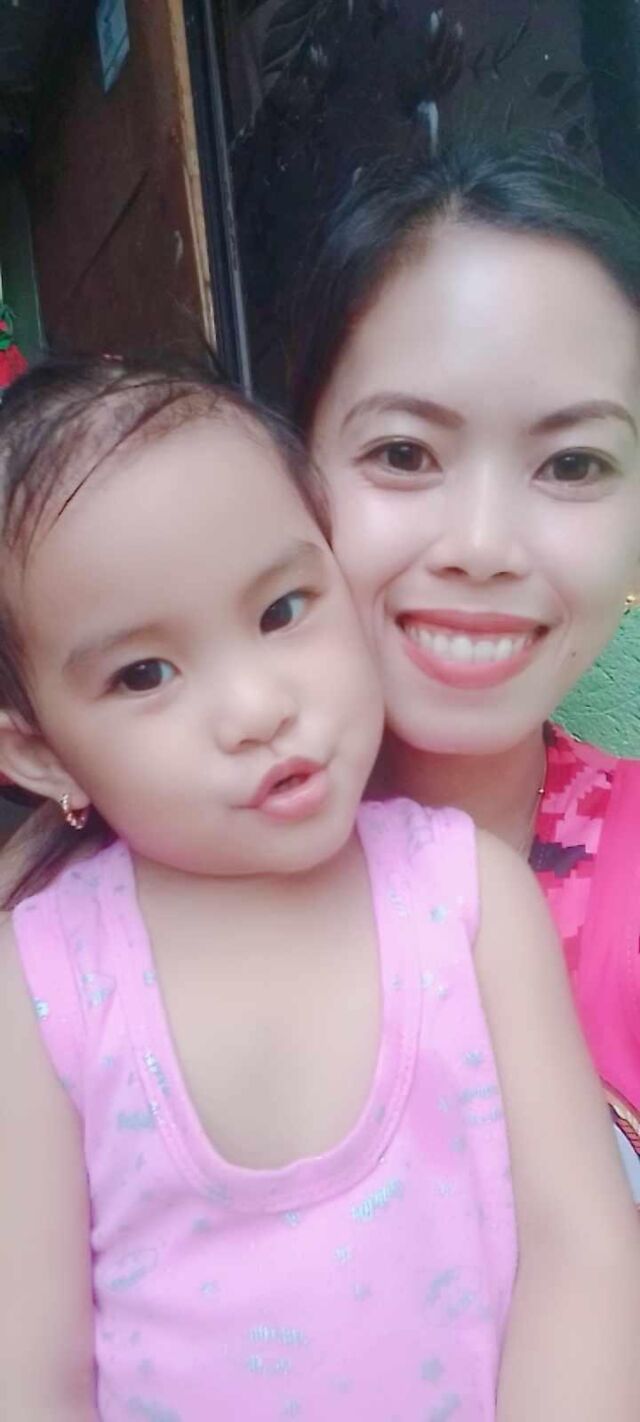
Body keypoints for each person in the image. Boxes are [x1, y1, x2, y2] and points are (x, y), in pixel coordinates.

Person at [0, 356, 637, 1420]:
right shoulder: (42, 986)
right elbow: (31, 1369)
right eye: (144, 674)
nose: (257, 707)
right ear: (40, 752)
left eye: (284, 609)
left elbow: (584, 1249)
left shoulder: (468, 901)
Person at [291, 137, 640, 1194]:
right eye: (403, 453)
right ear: (291, 475)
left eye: (572, 463)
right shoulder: (118, 895)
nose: (482, 545)